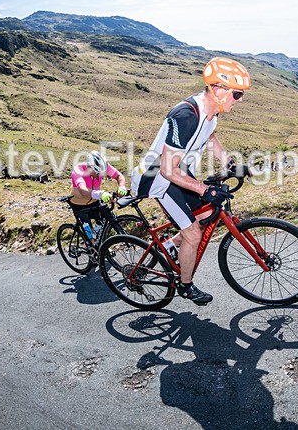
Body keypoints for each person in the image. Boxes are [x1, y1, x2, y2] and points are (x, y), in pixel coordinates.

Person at [131, 57, 251, 305]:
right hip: (156, 179)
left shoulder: (212, 111)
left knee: (205, 214)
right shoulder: (186, 115)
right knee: (194, 234)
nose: (240, 101)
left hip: (178, 172)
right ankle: (185, 286)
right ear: (218, 90)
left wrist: (230, 164)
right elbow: (167, 170)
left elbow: (210, 138)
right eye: (237, 95)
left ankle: (172, 245)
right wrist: (204, 189)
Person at [70, 150, 128, 247]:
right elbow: (83, 191)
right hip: (79, 205)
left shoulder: (103, 166)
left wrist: (121, 186)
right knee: (88, 233)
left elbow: (118, 176)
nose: (99, 175)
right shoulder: (78, 170)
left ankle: (102, 246)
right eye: (97, 173)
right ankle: (92, 252)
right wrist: (100, 194)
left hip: (95, 201)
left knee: (103, 222)